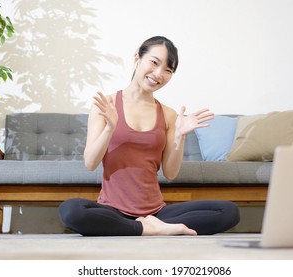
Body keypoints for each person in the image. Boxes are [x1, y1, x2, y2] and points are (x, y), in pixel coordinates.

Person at [59, 36, 240, 236]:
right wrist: (111, 126)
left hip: (156, 212)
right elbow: (90, 163)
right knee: (71, 210)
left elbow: (170, 173)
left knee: (228, 211)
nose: (158, 74)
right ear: (137, 58)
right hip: (112, 210)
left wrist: (179, 136)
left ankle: (147, 226)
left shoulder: (169, 114)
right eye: (154, 63)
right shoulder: (106, 105)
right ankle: (146, 229)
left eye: (168, 70)